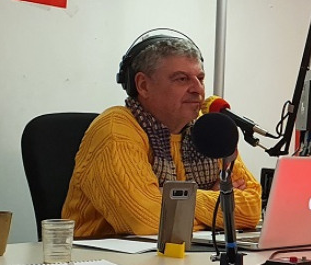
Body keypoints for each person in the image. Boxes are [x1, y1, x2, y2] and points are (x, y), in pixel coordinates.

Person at [62, 31, 262, 238]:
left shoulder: (209, 129)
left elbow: (252, 210)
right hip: (101, 254)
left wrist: (171, 199)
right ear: (143, 85)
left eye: (200, 78)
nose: (198, 89)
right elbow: (148, 221)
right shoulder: (115, 129)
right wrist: (216, 200)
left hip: (186, 251)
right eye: (182, 79)